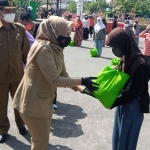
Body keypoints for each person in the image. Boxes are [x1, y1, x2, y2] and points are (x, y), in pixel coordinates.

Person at [12, 16, 98, 150]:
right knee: (40, 143)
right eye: (65, 34)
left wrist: (82, 88)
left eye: (69, 34)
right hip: (32, 104)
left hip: (43, 102)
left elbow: (63, 74)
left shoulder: (56, 48)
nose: (68, 37)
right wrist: (83, 80)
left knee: (42, 141)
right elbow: (55, 80)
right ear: (53, 31)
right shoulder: (43, 50)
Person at [105, 27, 150, 150]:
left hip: (133, 105)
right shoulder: (125, 57)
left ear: (123, 43)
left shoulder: (140, 64)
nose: (114, 50)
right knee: (119, 137)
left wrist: (115, 103)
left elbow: (136, 91)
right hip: (123, 102)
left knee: (128, 140)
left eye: (115, 46)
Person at [0, 0, 30, 143]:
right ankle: (2, 129)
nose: (11, 13)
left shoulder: (20, 29)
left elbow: (26, 54)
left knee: (20, 103)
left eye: (13, 11)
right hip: (0, 77)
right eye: (8, 11)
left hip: (18, 75)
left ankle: (21, 124)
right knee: (0, 105)